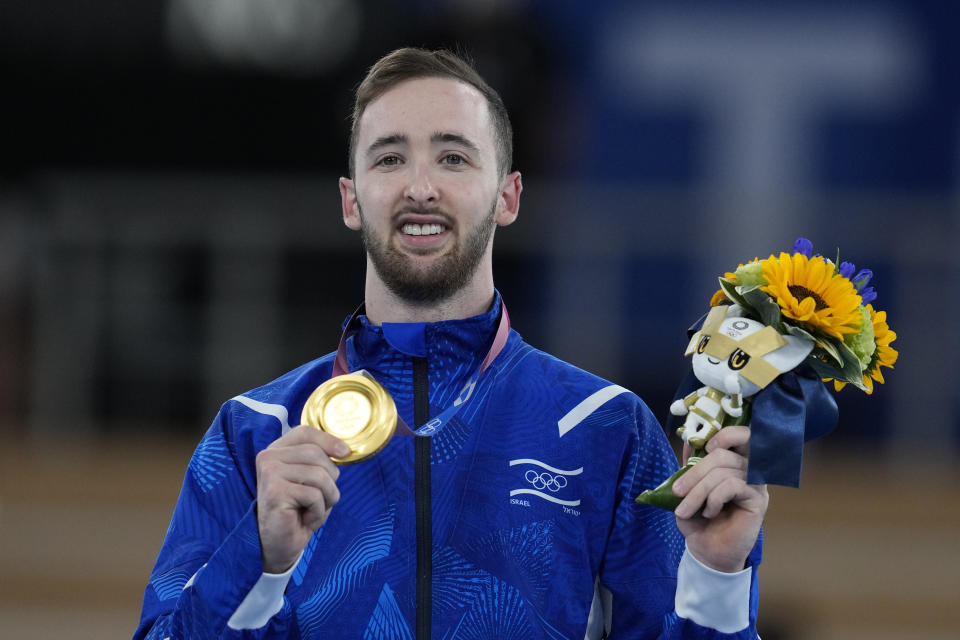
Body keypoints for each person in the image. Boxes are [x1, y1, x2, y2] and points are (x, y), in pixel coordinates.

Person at [134, 48, 768, 640]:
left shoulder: (605, 428)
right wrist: (259, 559)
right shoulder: (256, 431)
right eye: (389, 158)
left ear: (508, 196)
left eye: (453, 157)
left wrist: (714, 577)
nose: (420, 188)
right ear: (351, 201)